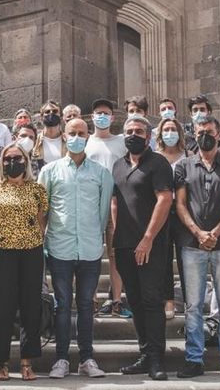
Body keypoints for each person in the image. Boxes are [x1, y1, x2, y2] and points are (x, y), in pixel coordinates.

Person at [174, 116, 220, 379]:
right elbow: (180, 204)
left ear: (218, 135)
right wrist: (198, 232)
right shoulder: (184, 165)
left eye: (209, 131)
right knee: (193, 305)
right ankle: (194, 358)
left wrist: (214, 233)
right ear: (194, 134)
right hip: (191, 244)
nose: (204, 135)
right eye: (200, 131)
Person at [38, 118, 112, 379]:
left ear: (88, 135)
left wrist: (95, 235)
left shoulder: (101, 173)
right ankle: (60, 359)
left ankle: (86, 358)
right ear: (64, 136)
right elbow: (42, 212)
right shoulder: (49, 171)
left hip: (90, 248)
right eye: (72, 133)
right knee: (62, 304)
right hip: (59, 247)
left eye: (82, 133)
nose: (77, 137)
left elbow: (104, 214)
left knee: (85, 304)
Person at [112, 116, 173, 381]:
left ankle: (158, 360)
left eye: (138, 131)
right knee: (135, 301)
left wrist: (147, 238)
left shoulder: (158, 163)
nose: (133, 135)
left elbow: (165, 198)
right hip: (125, 245)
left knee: (151, 301)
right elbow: (115, 202)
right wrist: (116, 236)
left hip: (151, 245)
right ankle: (145, 354)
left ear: (148, 136)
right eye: (129, 131)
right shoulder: (118, 165)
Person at [0, 142, 49, 381]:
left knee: (31, 307)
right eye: (8, 159)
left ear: (26, 161)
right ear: (2, 163)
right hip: (3, 253)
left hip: (31, 252)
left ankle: (27, 362)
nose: (13, 163)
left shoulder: (37, 190)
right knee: (3, 308)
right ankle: (2, 362)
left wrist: (35, 238)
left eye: (17, 158)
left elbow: (42, 220)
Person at [86, 98, 131, 318]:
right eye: (98, 112)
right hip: (91, 204)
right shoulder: (85, 142)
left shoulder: (121, 142)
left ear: (112, 117)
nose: (101, 116)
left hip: (116, 203)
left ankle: (116, 299)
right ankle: (92, 299)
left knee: (114, 254)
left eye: (106, 113)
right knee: (92, 254)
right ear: (92, 117)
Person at [154, 117, 190, 319]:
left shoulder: (189, 156)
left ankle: (189, 300)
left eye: (173, 129)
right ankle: (168, 301)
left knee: (187, 258)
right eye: (166, 129)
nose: (169, 133)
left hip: (184, 213)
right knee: (164, 258)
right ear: (160, 134)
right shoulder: (155, 157)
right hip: (162, 212)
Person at [34, 100, 66, 164]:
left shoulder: (67, 140)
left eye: (55, 111)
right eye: (47, 112)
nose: (51, 113)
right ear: (41, 117)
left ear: (61, 116)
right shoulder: (35, 140)